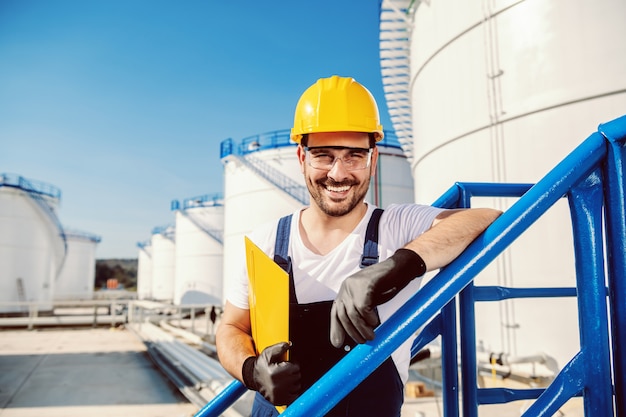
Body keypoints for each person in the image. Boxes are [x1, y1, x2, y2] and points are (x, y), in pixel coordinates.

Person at [216, 75, 502, 417]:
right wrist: (251, 370)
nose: (338, 174)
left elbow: (485, 217)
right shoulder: (268, 242)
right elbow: (231, 328)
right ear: (301, 157)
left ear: (373, 158)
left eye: (354, 156)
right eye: (323, 155)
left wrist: (398, 266)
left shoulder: (395, 228)